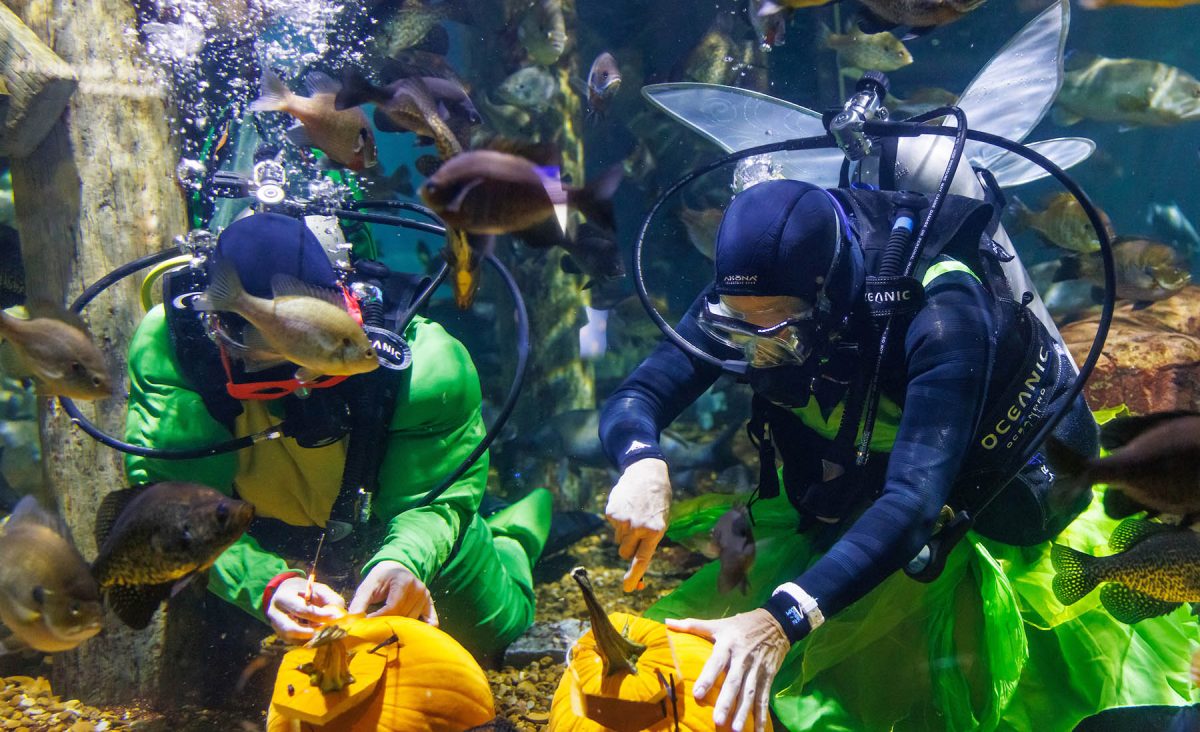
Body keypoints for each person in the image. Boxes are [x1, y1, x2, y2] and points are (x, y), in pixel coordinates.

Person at [599, 179, 1196, 731]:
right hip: (871, 486)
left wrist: (779, 621)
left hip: (974, 496)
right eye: (739, 327)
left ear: (828, 290)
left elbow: (914, 502)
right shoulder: (757, 288)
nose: (758, 349)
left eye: (777, 328)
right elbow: (640, 393)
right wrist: (642, 460)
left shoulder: (942, 314)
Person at [123, 211, 553, 661]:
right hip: (256, 530)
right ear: (219, 332)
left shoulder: (429, 365)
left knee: (494, 629)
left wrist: (405, 560)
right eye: (274, 359)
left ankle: (519, 531)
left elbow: (432, 499)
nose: (301, 377)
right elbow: (171, 501)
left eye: (314, 349)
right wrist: (265, 584)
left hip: (398, 523)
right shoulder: (173, 352)